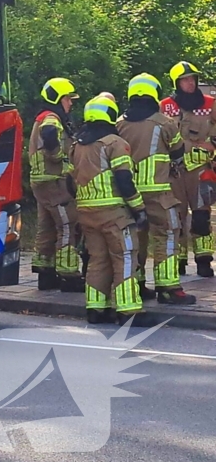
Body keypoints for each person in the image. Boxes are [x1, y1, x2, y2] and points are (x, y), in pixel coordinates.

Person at [116, 74, 196, 304]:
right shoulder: (165, 123)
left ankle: (138, 284)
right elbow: (178, 152)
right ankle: (168, 287)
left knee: (135, 238)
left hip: (129, 193)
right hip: (158, 192)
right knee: (168, 234)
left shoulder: (119, 124)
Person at [69, 95, 147, 324]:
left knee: (98, 259)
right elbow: (124, 180)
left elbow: (68, 182)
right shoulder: (114, 143)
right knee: (125, 257)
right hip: (114, 213)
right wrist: (139, 208)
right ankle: (128, 310)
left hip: (86, 212)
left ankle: (96, 309)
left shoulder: (76, 145)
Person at [160, 62, 216, 278]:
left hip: (201, 170)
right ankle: (179, 260)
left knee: (201, 217)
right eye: (185, 80)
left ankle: (204, 261)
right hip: (174, 172)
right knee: (176, 217)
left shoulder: (210, 104)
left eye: (193, 79)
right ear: (177, 83)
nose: (190, 83)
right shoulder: (165, 106)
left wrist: (212, 144)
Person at [28, 78, 83, 291]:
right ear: (58, 98)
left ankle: (46, 272)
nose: (70, 103)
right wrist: (59, 156)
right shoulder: (52, 118)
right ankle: (68, 275)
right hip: (54, 181)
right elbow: (50, 136)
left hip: (42, 182)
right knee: (68, 224)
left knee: (47, 226)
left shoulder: (43, 116)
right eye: (68, 98)